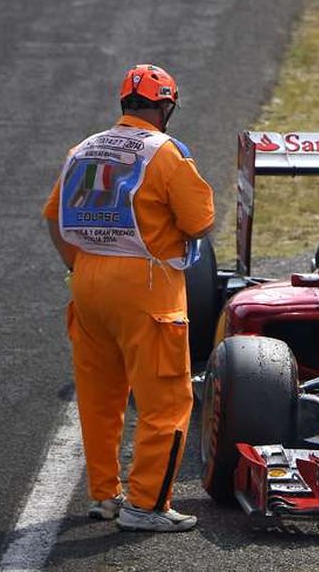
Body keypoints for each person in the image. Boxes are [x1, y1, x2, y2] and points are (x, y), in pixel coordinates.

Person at [43, 64, 214, 532]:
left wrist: (79, 266)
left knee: (100, 396)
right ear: (165, 107)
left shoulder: (83, 149)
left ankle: (105, 495)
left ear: (124, 104)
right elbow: (199, 221)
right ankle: (146, 505)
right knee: (167, 401)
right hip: (146, 286)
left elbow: (55, 217)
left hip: (87, 279)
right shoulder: (165, 152)